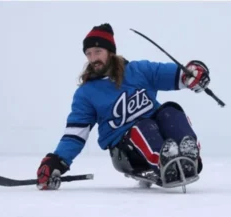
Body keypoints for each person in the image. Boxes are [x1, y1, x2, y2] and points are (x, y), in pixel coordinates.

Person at [36, 23, 210, 190]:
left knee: (170, 111)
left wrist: (191, 74)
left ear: (110, 52)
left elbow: (171, 74)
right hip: (126, 151)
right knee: (144, 126)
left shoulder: (138, 70)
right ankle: (164, 162)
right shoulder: (86, 93)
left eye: (98, 52)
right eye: (88, 54)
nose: (93, 58)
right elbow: (75, 134)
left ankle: (189, 156)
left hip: (157, 133)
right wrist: (56, 162)